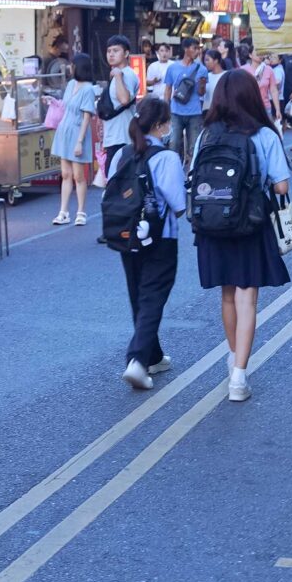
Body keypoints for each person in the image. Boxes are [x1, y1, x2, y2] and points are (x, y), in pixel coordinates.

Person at [193, 69, 292, 403]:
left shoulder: (206, 134)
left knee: (226, 293)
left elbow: (192, 177)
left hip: (212, 224)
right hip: (250, 221)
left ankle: (234, 359)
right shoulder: (264, 134)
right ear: (253, 96)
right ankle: (239, 376)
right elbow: (281, 185)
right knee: (247, 297)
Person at [106, 95, 186, 390]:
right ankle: (138, 360)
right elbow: (178, 204)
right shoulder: (166, 158)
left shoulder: (121, 155)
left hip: (125, 236)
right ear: (162, 126)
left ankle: (152, 355)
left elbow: (108, 189)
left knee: (138, 295)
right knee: (153, 296)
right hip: (160, 237)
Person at [50, 53, 101, 227]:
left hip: (77, 132)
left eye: (72, 65)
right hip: (65, 130)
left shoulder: (88, 89)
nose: (70, 68)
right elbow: (65, 106)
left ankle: (81, 211)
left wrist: (80, 141)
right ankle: (63, 211)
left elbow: (87, 115)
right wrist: (52, 101)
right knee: (65, 174)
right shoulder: (71, 84)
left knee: (79, 176)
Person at [96, 35, 141, 181]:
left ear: (126, 53)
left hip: (122, 137)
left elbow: (124, 99)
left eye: (116, 50)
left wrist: (118, 76)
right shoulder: (118, 74)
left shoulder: (127, 74)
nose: (111, 54)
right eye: (109, 51)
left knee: (118, 182)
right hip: (114, 136)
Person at [166, 38, 209, 164]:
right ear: (186, 49)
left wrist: (202, 84)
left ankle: (192, 172)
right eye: (194, 48)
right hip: (175, 111)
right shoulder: (173, 68)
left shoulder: (202, 69)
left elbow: (201, 93)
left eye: (198, 48)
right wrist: (166, 108)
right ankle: (174, 167)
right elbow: (168, 89)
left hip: (194, 111)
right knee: (173, 143)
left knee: (194, 145)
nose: (197, 51)